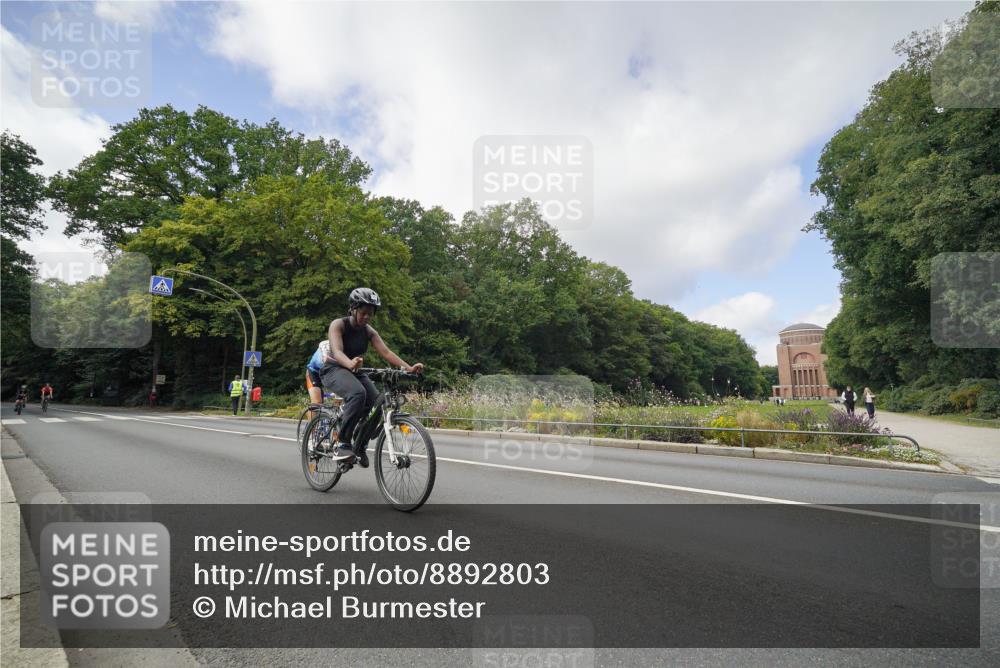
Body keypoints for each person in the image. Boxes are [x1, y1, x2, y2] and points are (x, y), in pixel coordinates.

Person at [320, 288, 423, 468]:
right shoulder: (339, 325)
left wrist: (409, 368)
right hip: (334, 369)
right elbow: (336, 351)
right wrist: (350, 363)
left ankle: (360, 445)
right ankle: (343, 444)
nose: (367, 317)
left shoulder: (369, 332)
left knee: (377, 402)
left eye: (371, 314)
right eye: (363, 313)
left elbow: (386, 352)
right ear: (353, 309)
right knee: (358, 393)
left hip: (355, 370)